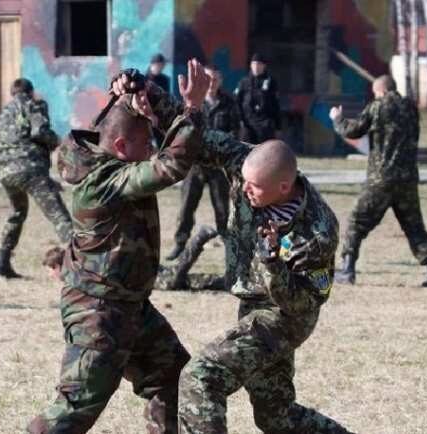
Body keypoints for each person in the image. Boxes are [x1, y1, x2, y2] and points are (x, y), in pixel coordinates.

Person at [113, 74, 355, 433]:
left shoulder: (318, 231)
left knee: (201, 377)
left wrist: (273, 261)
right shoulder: (247, 165)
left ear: (284, 187)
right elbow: (195, 141)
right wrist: (144, 89)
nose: (246, 191)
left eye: (255, 188)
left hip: (283, 317)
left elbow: (303, 304)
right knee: (277, 416)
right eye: (244, 182)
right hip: (251, 303)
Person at [27, 59, 210, 434]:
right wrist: (191, 110)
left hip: (129, 307)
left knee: (174, 377)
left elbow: (141, 140)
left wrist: (133, 99)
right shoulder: (102, 180)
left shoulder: (105, 159)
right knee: (75, 409)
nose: (152, 150)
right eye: (146, 144)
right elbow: (171, 166)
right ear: (123, 146)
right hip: (99, 312)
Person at [329, 75, 427, 287]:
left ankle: (347, 270)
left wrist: (337, 118)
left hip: (381, 179)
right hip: (408, 179)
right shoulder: (411, 108)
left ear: (380, 91)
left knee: (357, 221)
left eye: (375, 93)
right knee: (415, 226)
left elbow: (352, 131)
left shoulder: (377, 107)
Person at [0, 78, 72, 278]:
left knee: (17, 213)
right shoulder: (34, 105)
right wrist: (58, 142)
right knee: (59, 217)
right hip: (30, 168)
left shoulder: (2, 115)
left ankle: (2, 264)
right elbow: (40, 131)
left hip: (5, 172)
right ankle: (83, 265)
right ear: (31, 92)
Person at [166, 64, 240, 262]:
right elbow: (182, 130)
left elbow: (235, 132)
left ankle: (229, 251)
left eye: (215, 79)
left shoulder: (229, 103)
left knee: (223, 210)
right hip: (195, 166)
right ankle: (180, 245)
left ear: (220, 81)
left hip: (218, 166)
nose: (212, 83)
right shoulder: (192, 104)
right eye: (209, 79)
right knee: (186, 209)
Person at [235, 53, 281, 143]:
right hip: (248, 125)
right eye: (254, 64)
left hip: (265, 126)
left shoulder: (271, 82)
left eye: (259, 64)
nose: (256, 67)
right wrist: (240, 121)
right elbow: (237, 102)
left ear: (264, 66)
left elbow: (276, 105)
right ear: (251, 66)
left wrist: (278, 126)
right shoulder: (244, 82)